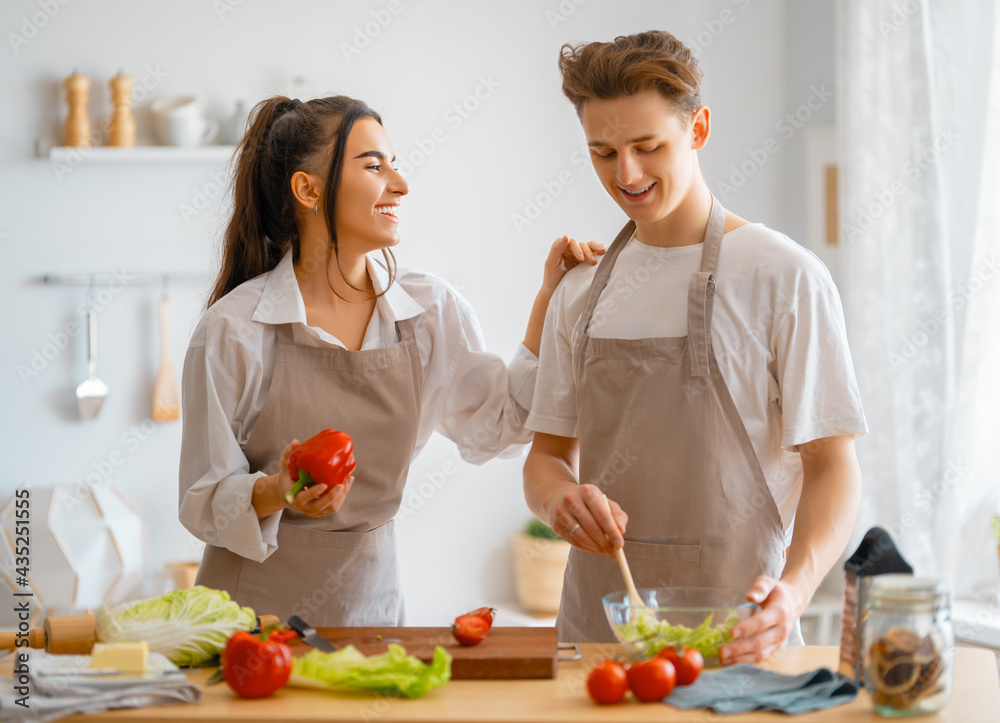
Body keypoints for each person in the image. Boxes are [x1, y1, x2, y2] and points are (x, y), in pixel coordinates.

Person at [179, 95, 604, 626]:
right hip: (248, 626)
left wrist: (549, 298)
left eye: (394, 164)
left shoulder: (427, 312)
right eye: (374, 166)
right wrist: (276, 490)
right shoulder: (234, 329)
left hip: (370, 614)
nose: (400, 184)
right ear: (307, 189)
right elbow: (201, 501)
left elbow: (500, 427)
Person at [523, 30, 867, 663]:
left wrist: (792, 592)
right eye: (602, 153)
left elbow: (832, 464)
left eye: (647, 147)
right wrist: (557, 498)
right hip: (599, 639)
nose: (625, 174)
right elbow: (545, 457)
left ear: (699, 128)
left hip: (742, 630)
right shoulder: (581, 290)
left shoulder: (783, 275)